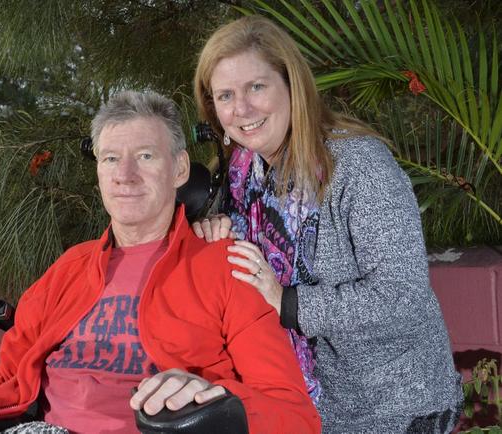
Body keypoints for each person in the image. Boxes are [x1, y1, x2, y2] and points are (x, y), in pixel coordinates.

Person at [0, 90, 320, 433]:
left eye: (145, 156)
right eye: (111, 158)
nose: (125, 175)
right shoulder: (67, 271)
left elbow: (294, 414)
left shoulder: (225, 267)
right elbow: (6, 389)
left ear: (180, 169)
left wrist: (218, 403)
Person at [191, 15, 463, 433]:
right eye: (225, 95)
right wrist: (212, 226)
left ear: (291, 86)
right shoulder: (240, 174)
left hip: (392, 408)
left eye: (256, 87)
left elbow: (401, 293)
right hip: (296, 406)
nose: (241, 108)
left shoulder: (358, 165)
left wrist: (288, 302)